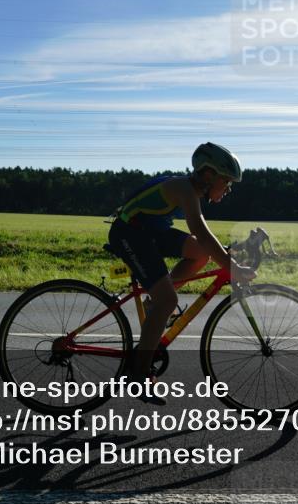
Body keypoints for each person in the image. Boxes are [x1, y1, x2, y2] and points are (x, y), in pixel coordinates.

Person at [108, 142, 256, 401]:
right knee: (169, 300)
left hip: (149, 231)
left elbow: (204, 241)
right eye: (227, 181)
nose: (229, 188)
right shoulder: (183, 189)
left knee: (200, 253)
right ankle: (138, 376)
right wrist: (231, 267)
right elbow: (200, 230)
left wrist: (224, 253)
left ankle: (156, 303)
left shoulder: (191, 191)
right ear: (209, 175)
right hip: (130, 233)